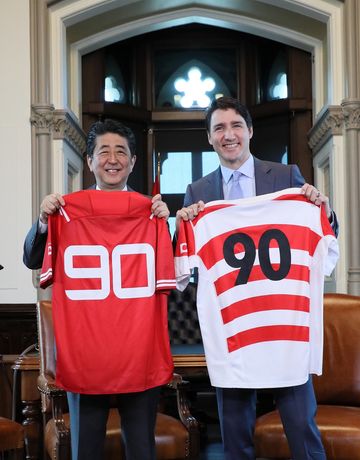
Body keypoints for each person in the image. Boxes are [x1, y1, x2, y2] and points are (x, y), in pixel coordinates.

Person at [175, 96, 339, 460]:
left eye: (235, 125)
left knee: (301, 427)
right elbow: (182, 259)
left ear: (249, 131)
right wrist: (183, 224)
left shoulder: (286, 175)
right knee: (235, 434)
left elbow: (323, 231)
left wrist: (321, 207)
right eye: (219, 128)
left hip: (284, 322)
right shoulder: (197, 193)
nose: (228, 134)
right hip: (233, 326)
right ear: (209, 138)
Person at [23, 119, 173, 460]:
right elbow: (32, 258)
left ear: (133, 162)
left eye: (121, 151)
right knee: (86, 448)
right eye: (103, 151)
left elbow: (177, 273)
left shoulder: (151, 213)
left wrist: (168, 226)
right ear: (89, 161)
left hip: (139, 348)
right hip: (86, 351)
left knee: (141, 448)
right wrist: (46, 222)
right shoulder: (65, 211)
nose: (113, 158)